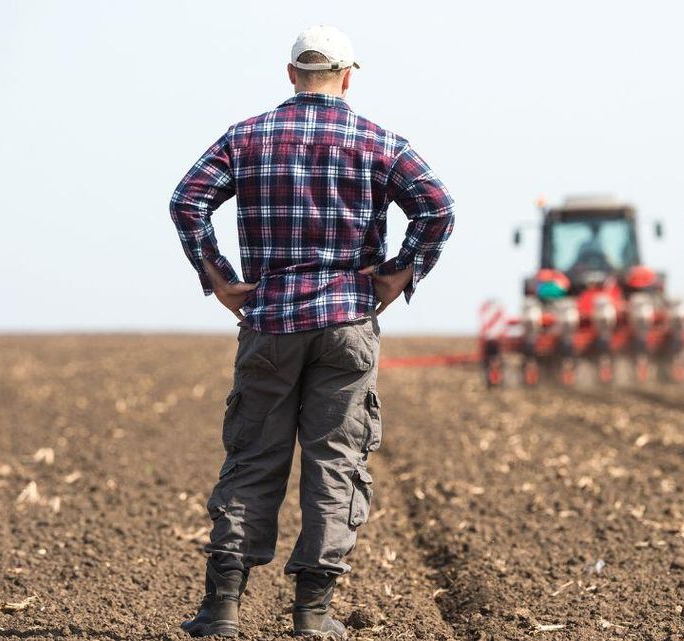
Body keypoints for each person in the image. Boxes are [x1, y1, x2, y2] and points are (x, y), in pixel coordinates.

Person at [168, 25, 454, 639]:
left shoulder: (246, 138)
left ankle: (222, 611)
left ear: (291, 73)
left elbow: (187, 200)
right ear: (348, 76)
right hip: (347, 324)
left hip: (269, 321)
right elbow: (438, 207)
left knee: (252, 459)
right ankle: (314, 615)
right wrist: (401, 273)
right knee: (335, 463)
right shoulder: (380, 142)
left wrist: (218, 277)